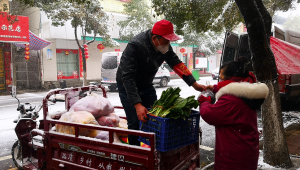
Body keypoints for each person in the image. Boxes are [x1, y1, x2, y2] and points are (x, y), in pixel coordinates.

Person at [116, 19, 205, 146]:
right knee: (135, 122)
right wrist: (137, 105)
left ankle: (155, 150)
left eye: (169, 41)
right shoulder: (135, 46)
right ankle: (137, 156)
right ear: (154, 38)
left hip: (146, 85)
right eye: (166, 41)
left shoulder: (164, 47)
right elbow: (127, 76)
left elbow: (177, 64)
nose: (168, 45)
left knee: (155, 117)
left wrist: (194, 84)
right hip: (127, 86)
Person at [198, 57, 269, 170]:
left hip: (233, 156)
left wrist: (205, 101)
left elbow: (210, 114)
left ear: (231, 78)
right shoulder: (247, 91)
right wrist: (214, 88)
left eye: (221, 78)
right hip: (246, 150)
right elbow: (232, 87)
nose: (219, 81)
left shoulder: (230, 100)